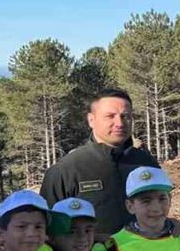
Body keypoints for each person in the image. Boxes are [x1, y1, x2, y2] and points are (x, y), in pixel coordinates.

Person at [41, 88, 159, 240]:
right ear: (91, 120)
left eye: (125, 116)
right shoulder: (66, 170)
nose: (119, 123)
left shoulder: (146, 163)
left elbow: (161, 209)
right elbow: (47, 229)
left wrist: (171, 225)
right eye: (110, 116)